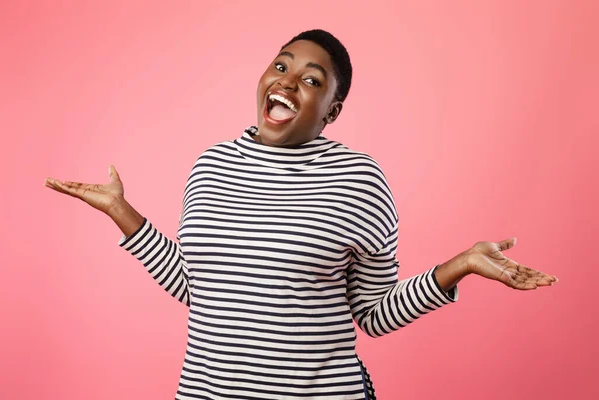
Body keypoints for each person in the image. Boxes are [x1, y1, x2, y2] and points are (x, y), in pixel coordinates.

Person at [44, 29, 558, 400]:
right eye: (282, 65)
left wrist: (460, 264)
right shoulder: (211, 166)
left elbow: (374, 316)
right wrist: (122, 212)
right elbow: (201, 288)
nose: (287, 83)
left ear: (333, 110)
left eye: (312, 81)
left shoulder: (359, 181)